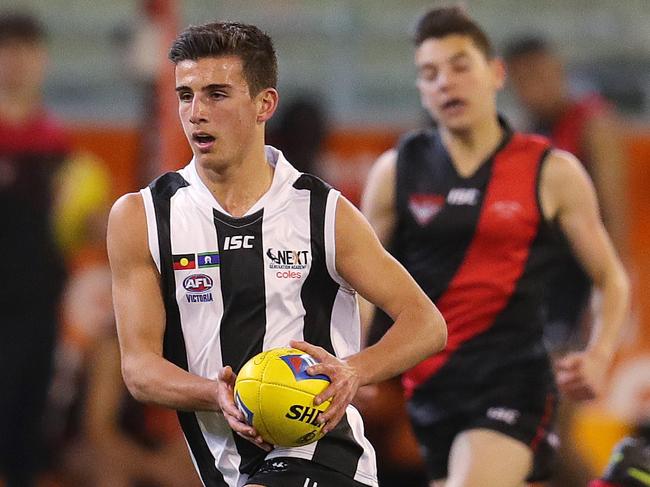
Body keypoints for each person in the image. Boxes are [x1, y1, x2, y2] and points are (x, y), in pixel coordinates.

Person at [107, 21, 447, 487]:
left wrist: (352, 372)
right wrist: (218, 394)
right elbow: (140, 370)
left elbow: (426, 323)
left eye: (217, 94)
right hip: (227, 471)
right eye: (185, 95)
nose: (196, 113)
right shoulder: (141, 218)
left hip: (325, 457)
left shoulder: (321, 212)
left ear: (265, 103)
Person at [361, 6, 629, 487]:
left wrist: (600, 352)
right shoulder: (395, 171)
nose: (446, 82)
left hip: (517, 377)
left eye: (461, 66)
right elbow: (359, 283)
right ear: (421, 89)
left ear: (496, 73)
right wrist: (351, 361)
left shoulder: (553, 170)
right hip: (431, 387)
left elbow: (611, 276)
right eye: (430, 73)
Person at [504, 35, 631, 487]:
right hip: (538, 295)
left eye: (538, 75)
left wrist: (605, 302)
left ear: (557, 70)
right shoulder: (526, 133)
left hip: (574, 295)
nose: (531, 87)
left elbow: (614, 218)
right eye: (521, 80)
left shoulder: (592, 124)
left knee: (548, 432)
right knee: (541, 436)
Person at [0, 12, 70, 487]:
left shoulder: (55, 141)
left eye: (27, 51)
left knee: (27, 428)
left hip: (39, 302)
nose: (17, 63)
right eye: (7, 50)